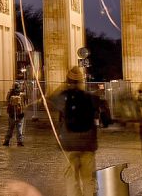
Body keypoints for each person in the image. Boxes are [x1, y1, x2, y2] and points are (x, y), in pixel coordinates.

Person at [50, 67, 98, 196]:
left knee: (71, 179)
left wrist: (64, 85)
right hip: (88, 144)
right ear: (82, 81)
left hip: (69, 144)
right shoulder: (90, 98)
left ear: (67, 81)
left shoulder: (63, 97)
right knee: (88, 179)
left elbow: (51, 99)